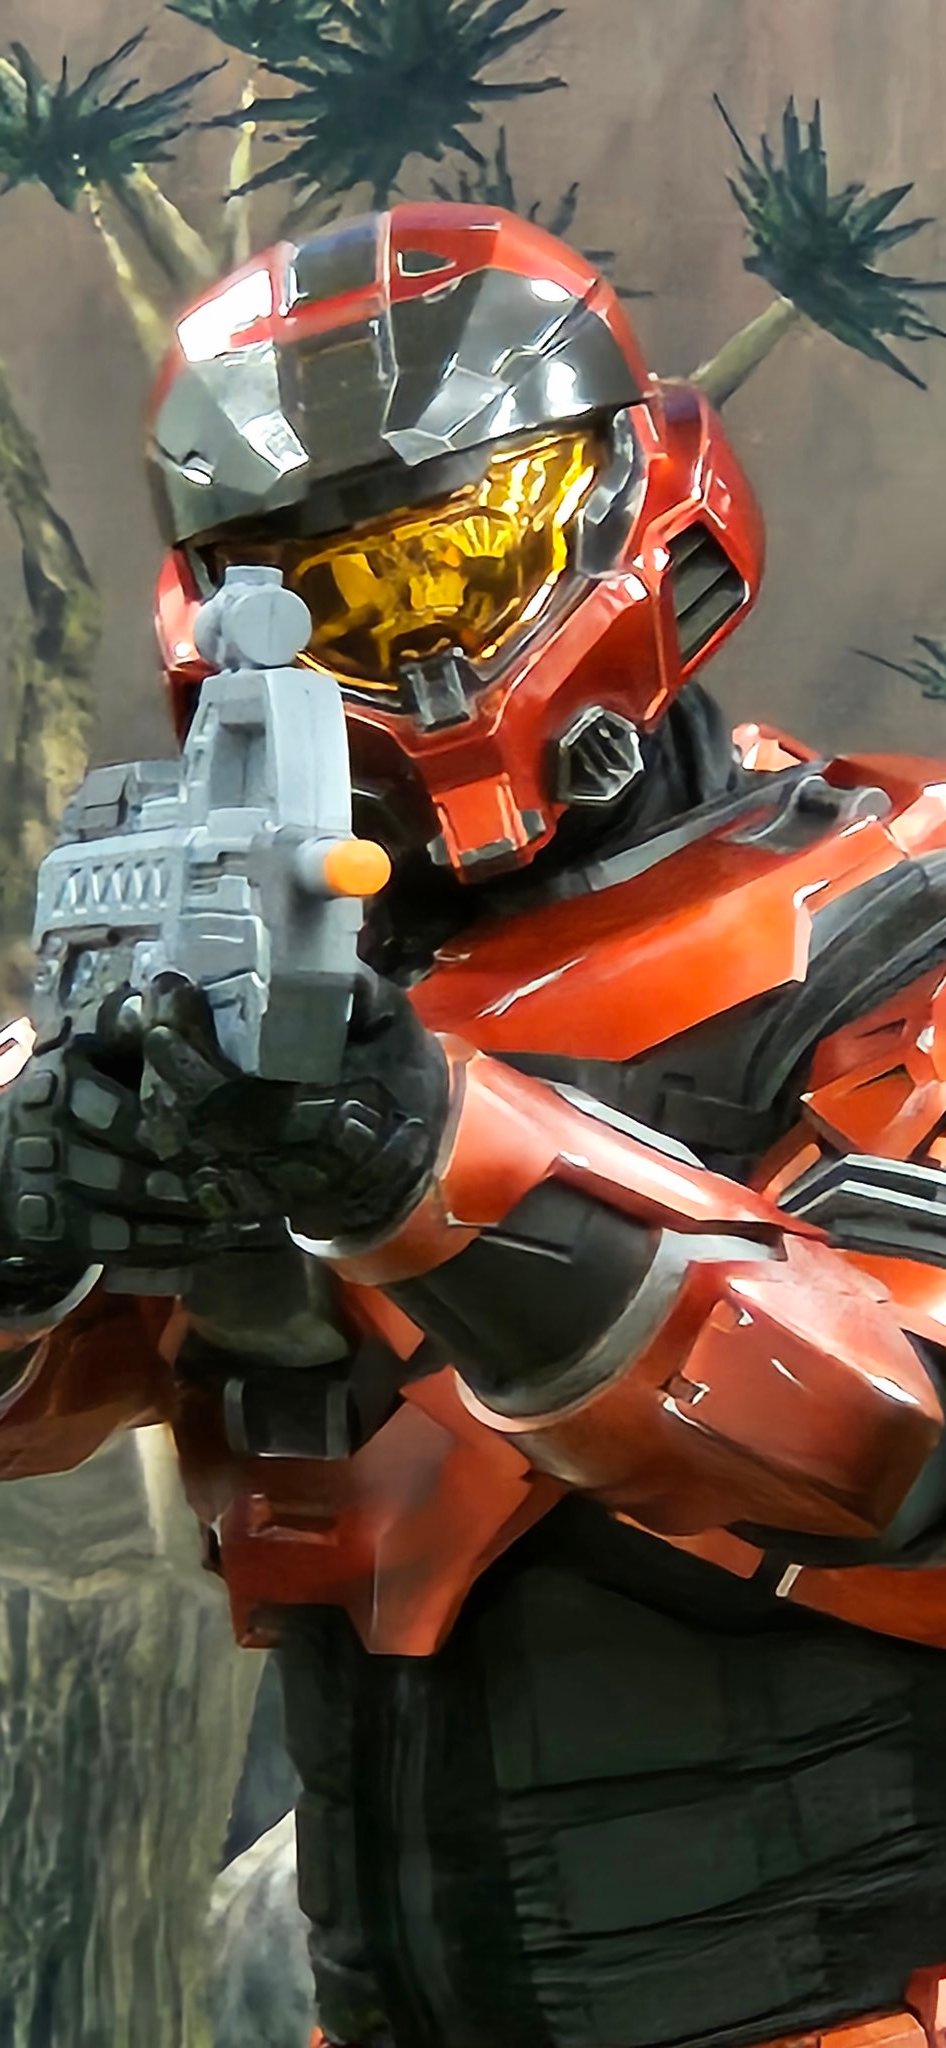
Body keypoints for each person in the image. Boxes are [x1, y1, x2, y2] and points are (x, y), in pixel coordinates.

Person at [4, 202, 946, 2048]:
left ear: (633, 498)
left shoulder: (890, 921)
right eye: (341, 605)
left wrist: (426, 1161)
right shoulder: (235, 960)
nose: (424, 659)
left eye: (463, 558)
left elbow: (896, 1447)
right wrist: (35, 1228)